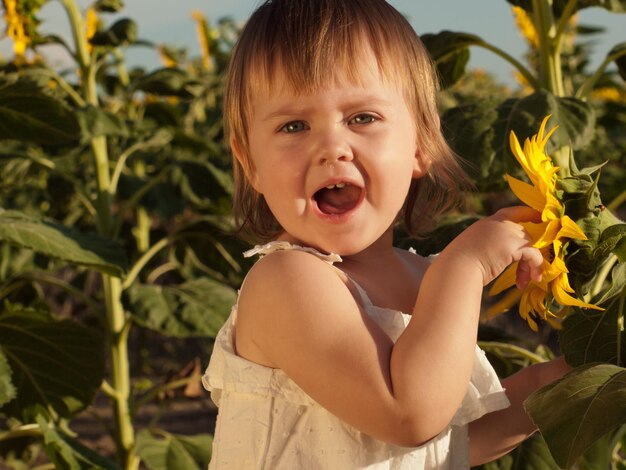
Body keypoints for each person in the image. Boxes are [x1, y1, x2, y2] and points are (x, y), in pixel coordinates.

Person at [202, 0, 570, 468]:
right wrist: (465, 266)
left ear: (420, 143)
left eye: (362, 118)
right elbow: (409, 416)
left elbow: (445, 441)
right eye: (294, 125)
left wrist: (557, 382)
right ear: (250, 163)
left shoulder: (420, 277)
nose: (332, 147)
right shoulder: (287, 282)